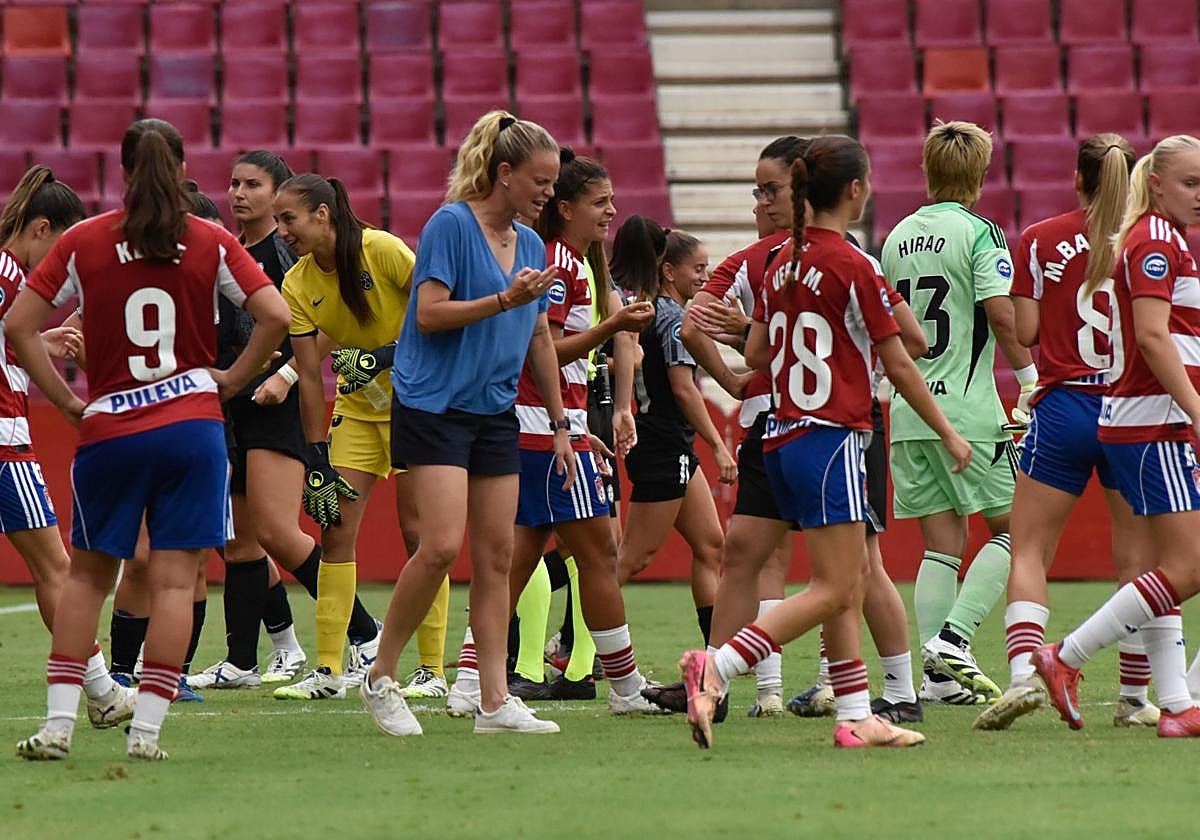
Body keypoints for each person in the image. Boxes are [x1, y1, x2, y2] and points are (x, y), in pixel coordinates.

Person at [680, 135, 970, 749]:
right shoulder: (853, 263)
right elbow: (907, 352)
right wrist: (946, 431)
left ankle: (857, 714)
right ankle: (718, 668)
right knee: (840, 585)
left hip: (780, 433)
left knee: (834, 578)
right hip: (834, 435)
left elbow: (757, 353)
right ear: (856, 190)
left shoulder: (779, 260)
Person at [13, 118, 290, 760]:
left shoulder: (82, 240)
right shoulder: (211, 239)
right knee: (174, 582)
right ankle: (146, 735)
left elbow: (22, 326)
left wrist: (68, 402)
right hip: (192, 427)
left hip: (109, 427)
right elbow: (277, 315)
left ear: (124, 171)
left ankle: (59, 727)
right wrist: (230, 379)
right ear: (184, 168)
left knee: (85, 578)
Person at [360, 110, 572, 736]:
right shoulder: (450, 224)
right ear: (504, 174)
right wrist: (503, 299)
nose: (548, 193)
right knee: (441, 547)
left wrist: (560, 422)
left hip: (494, 410)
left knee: (498, 556)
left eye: (554, 182)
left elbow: (537, 336)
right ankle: (380, 676)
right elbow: (428, 314)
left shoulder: (532, 244)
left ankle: (493, 703)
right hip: (433, 405)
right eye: (539, 180)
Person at [974, 135, 1169, 730]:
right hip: (1131, 407)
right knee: (1137, 555)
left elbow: (1027, 331)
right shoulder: (1151, 240)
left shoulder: (1039, 237)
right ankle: (1135, 699)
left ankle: (1020, 679)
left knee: (1030, 546)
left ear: (1078, 179)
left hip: (1064, 406)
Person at [1033, 134, 1200, 738]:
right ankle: (1067, 656)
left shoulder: (1162, 238)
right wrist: (1195, 408)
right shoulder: (1155, 239)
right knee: (1187, 564)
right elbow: (1154, 337)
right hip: (1154, 422)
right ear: (1154, 183)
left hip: (1143, 419)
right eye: (1190, 183)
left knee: (1166, 563)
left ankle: (1179, 705)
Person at [268, 173, 450, 701]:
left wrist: (386, 357)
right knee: (335, 531)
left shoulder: (383, 250)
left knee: (419, 537)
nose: (283, 231)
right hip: (358, 411)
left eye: (289, 219)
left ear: (322, 214)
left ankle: (433, 671)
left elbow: (433, 314)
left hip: (419, 407)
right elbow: (306, 372)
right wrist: (313, 455)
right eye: (279, 221)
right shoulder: (298, 283)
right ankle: (328, 671)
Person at [500, 148, 662, 712]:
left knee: (519, 558)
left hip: (549, 424)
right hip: (544, 427)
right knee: (599, 552)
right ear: (565, 208)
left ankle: (474, 678)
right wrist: (614, 326)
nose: (612, 211)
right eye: (600, 202)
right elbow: (541, 347)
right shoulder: (561, 264)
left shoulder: (578, 262)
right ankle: (625, 687)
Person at [881, 121, 1036, 704]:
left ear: (927, 170)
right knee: (1015, 532)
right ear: (981, 173)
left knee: (940, 546)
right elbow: (1000, 315)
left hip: (909, 410)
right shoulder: (981, 233)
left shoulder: (895, 237)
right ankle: (954, 639)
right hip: (968, 412)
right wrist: (1028, 378)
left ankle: (938, 682)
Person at [0, 164, 137, 728]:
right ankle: (104, 693)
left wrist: (37, 342)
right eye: (59, 247)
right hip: (5, 445)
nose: (60, 269)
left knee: (51, 567)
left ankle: (102, 691)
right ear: (39, 229)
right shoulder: (10, 274)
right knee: (58, 567)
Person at [613, 218, 735, 649]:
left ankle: (716, 649)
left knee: (710, 543)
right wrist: (720, 446)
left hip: (671, 443)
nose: (704, 276)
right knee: (631, 558)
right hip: (663, 444)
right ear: (669, 271)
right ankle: (573, 644)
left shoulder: (655, 313)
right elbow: (683, 389)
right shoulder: (672, 319)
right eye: (697, 269)